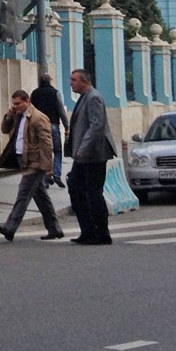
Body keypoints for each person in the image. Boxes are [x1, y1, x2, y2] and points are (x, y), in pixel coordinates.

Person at [0, 90, 66, 242]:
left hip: (35, 162)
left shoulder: (38, 118)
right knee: (41, 197)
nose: (16, 106)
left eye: (18, 103)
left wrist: (48, 166)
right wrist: (9, 114)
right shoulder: (17, 115)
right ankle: (54, 229)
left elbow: (46, 143)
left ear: (27, 101)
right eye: (14, 104)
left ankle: (9, 227)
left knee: (23, 194)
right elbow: (4, 129)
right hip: (23, 160)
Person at [66, 68, 117, 245]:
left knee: (93, 193)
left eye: (74, 80)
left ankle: (102, 233)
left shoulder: (94, 97)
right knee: (76, 188)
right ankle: (87, 230)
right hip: (83, 155)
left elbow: (96, 126)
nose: (70, 83)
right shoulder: (84, 97)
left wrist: (83, 147)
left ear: (84, 81)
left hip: (93, 154)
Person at [30, 73, 68, 187]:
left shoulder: (35, 93)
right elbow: (61, 110)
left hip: (39, 126)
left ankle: (45, 177)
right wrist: (67, 126)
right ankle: (56, 174)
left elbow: (31, 110)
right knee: (57, 151)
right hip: (53, 125)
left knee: (43, 152)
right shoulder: (55, 93)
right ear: (50, 81)